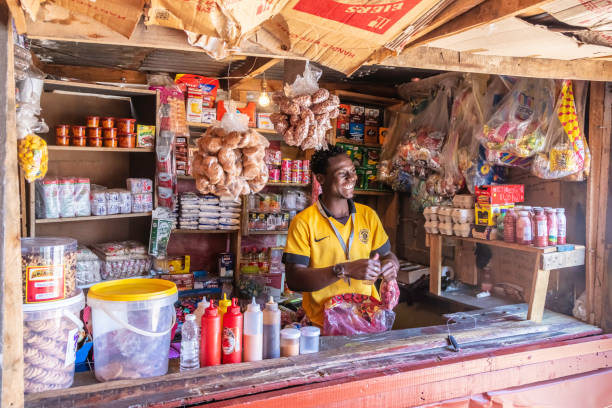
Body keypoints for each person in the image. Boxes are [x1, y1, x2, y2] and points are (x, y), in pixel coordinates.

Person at [283, 145, 400, 328]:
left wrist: (391, 266)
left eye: (352, 171)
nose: (352, 178)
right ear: (321, 179)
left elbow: (387, 255)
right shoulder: (304, 222)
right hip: (323, 324)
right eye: (342, 173)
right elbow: (294, 279)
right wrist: (343, 269)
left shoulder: (367, 215)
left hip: (367, 318)